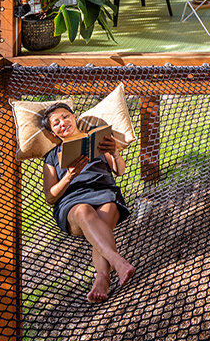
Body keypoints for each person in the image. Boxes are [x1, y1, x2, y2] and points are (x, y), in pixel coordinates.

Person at [41, 103, 135, 303]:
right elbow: (50, 197)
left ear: (74, 117)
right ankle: (117, 262)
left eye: (65, 117)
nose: (63, 123)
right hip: (71, 202)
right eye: (56, 123)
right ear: (53, 133)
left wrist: (115, 151)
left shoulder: (96, 140)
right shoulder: (51, 157)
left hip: (105, 194)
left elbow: (119, 171)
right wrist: (68, 177)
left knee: (104, 218)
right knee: (83, 211)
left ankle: (102, 277)